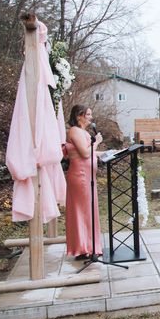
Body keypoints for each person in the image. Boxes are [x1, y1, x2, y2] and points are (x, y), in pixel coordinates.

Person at [64, 105, 103, 259]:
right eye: (88, 114)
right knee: (82, 211)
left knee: (89, 211)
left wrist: (108, 153)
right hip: (80, 177)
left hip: (88, 177)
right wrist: (97, 142)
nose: (91, 117)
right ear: (79, 115)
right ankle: (82, 248)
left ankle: (90, 245)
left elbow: (89, 152)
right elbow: (86, 153)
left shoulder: (83, 132)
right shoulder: (74, 131)